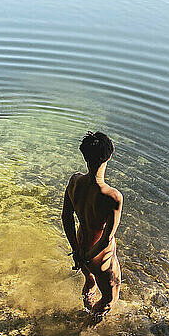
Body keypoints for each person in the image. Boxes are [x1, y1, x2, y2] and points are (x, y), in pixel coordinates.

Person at [62, 131, 123, 318]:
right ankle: (85, 329)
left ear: (85, 156)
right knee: (109, 300)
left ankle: (87, 308)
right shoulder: (112, 196)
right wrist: (89, 257)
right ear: (110, 156)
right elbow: (106, 239)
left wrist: (77, 252)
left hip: (81, 244)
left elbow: (66, 217)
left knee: (89, 281)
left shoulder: (74, 181)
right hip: (100, 257)